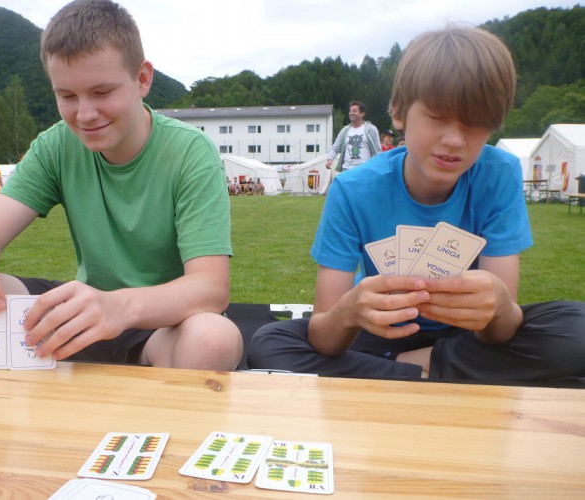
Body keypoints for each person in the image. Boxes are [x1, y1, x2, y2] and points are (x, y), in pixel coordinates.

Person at [0, 0, 242, 371]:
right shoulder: (56, 145)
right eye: (67, 96)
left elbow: (210, 287)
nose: (84, 114)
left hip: (161, 323)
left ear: (142, 79)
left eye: (102, 92)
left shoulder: (190, 152)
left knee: (213, 339)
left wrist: (118, 307)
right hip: (83, 312)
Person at [248, 26, 585, 385]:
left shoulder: (499, 173)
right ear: (399, 112)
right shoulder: (352, 188)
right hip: (380, 330)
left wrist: (501, 306)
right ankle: (434, 373)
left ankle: (404, 371)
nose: (455, 140)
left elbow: (498, 332)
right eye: (438, 116)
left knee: (576, 328)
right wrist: (349, 311)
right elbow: (324, 337)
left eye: (476, 122)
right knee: (271, 343)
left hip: (466, 334)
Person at [325, 101, 382, 172]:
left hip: (365, 170)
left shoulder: (371, 129)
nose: (351, 113)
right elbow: (335, 148)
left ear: (362, 113)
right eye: (350, 111)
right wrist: (330, 159)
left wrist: (376, 167)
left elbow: (378, 150)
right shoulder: (344, 131)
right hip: (346, 169)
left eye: (354, 111)